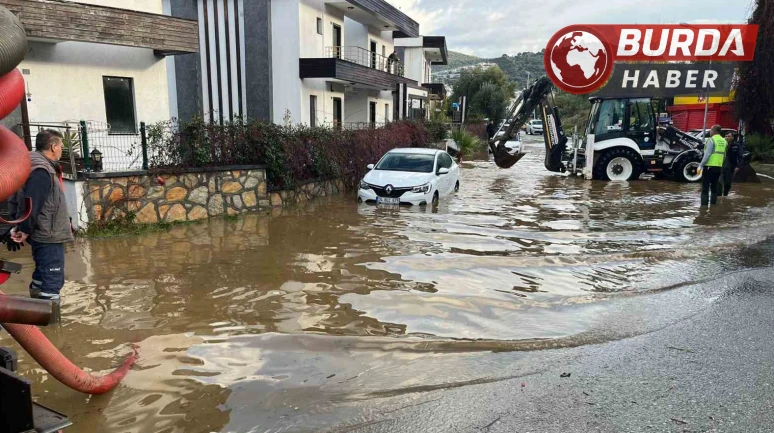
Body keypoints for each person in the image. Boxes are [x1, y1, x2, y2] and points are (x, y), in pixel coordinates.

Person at [11, 130, 74, 301]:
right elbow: (33, 202)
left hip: (44, 232)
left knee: (41, 275)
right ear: (53, 147)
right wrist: (24, 228)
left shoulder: (33, 165)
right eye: (61, 146)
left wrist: (21, 226)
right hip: (48, 235)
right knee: (52, 283)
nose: (61, 149)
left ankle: (34, 310)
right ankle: (50, 316)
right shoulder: (42, 170)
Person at [698, 124, 727, 207]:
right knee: (714, 187)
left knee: (705, 188)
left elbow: (707, 155)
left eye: (710, 130)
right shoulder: (724, 141)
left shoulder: (711, 140)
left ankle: (703, 208)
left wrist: (700, 165)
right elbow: (724, 155)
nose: (710, 132)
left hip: (709, 167)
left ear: (713, 131)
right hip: (718, 167)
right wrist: (719, 163)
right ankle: (713, 206)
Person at [720, 132, 743, 197]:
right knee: (719, 181)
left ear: (732, 137)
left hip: (730, 167)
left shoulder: (737, 146)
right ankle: (718, 196)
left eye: (729, 136)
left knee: (728, 183)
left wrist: (738, 166)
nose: (727, 137)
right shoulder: (721, 144)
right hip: (720, 166)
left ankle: (725, 195)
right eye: (726, 136)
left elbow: (741, 157)